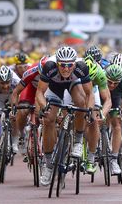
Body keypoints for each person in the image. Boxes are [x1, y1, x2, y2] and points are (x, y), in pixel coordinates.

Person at [36, 46, 92, 186]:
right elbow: (39, 93)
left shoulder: (81, 67)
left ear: (74, 63)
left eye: (69, 65)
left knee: (81, 103)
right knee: (49, 120)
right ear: (57, 63)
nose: (66, 69)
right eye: (62, 65)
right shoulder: (49, 66)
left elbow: (89, 94)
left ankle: (78, 141)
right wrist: (45, 107)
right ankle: (48, 164)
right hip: (54, 88)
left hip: (72, 85)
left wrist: (90, 110)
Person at [0, 65, 21, 176]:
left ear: (11, 80)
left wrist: (16, 109)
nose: (5, 86)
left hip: (13, 96)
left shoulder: (17, 82)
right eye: (2, 83)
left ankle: (15, 141)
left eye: (7, 83)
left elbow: (20, 96)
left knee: (14, 116)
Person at [83, 55, 112, 173]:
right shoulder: (76, 69)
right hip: (76, 87)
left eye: (91, 79)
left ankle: (90, 158)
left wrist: (102, 115)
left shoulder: (100, 73)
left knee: (93, 119)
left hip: (93, 92)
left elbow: (108, 100)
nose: (89, 82)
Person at [105, 64, 122, 174]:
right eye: (109, 82)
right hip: (102, 97)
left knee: (117, 125)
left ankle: (114, 159)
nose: (112, 85)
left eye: (115, 83)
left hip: (115, 99)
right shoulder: (100, 78)